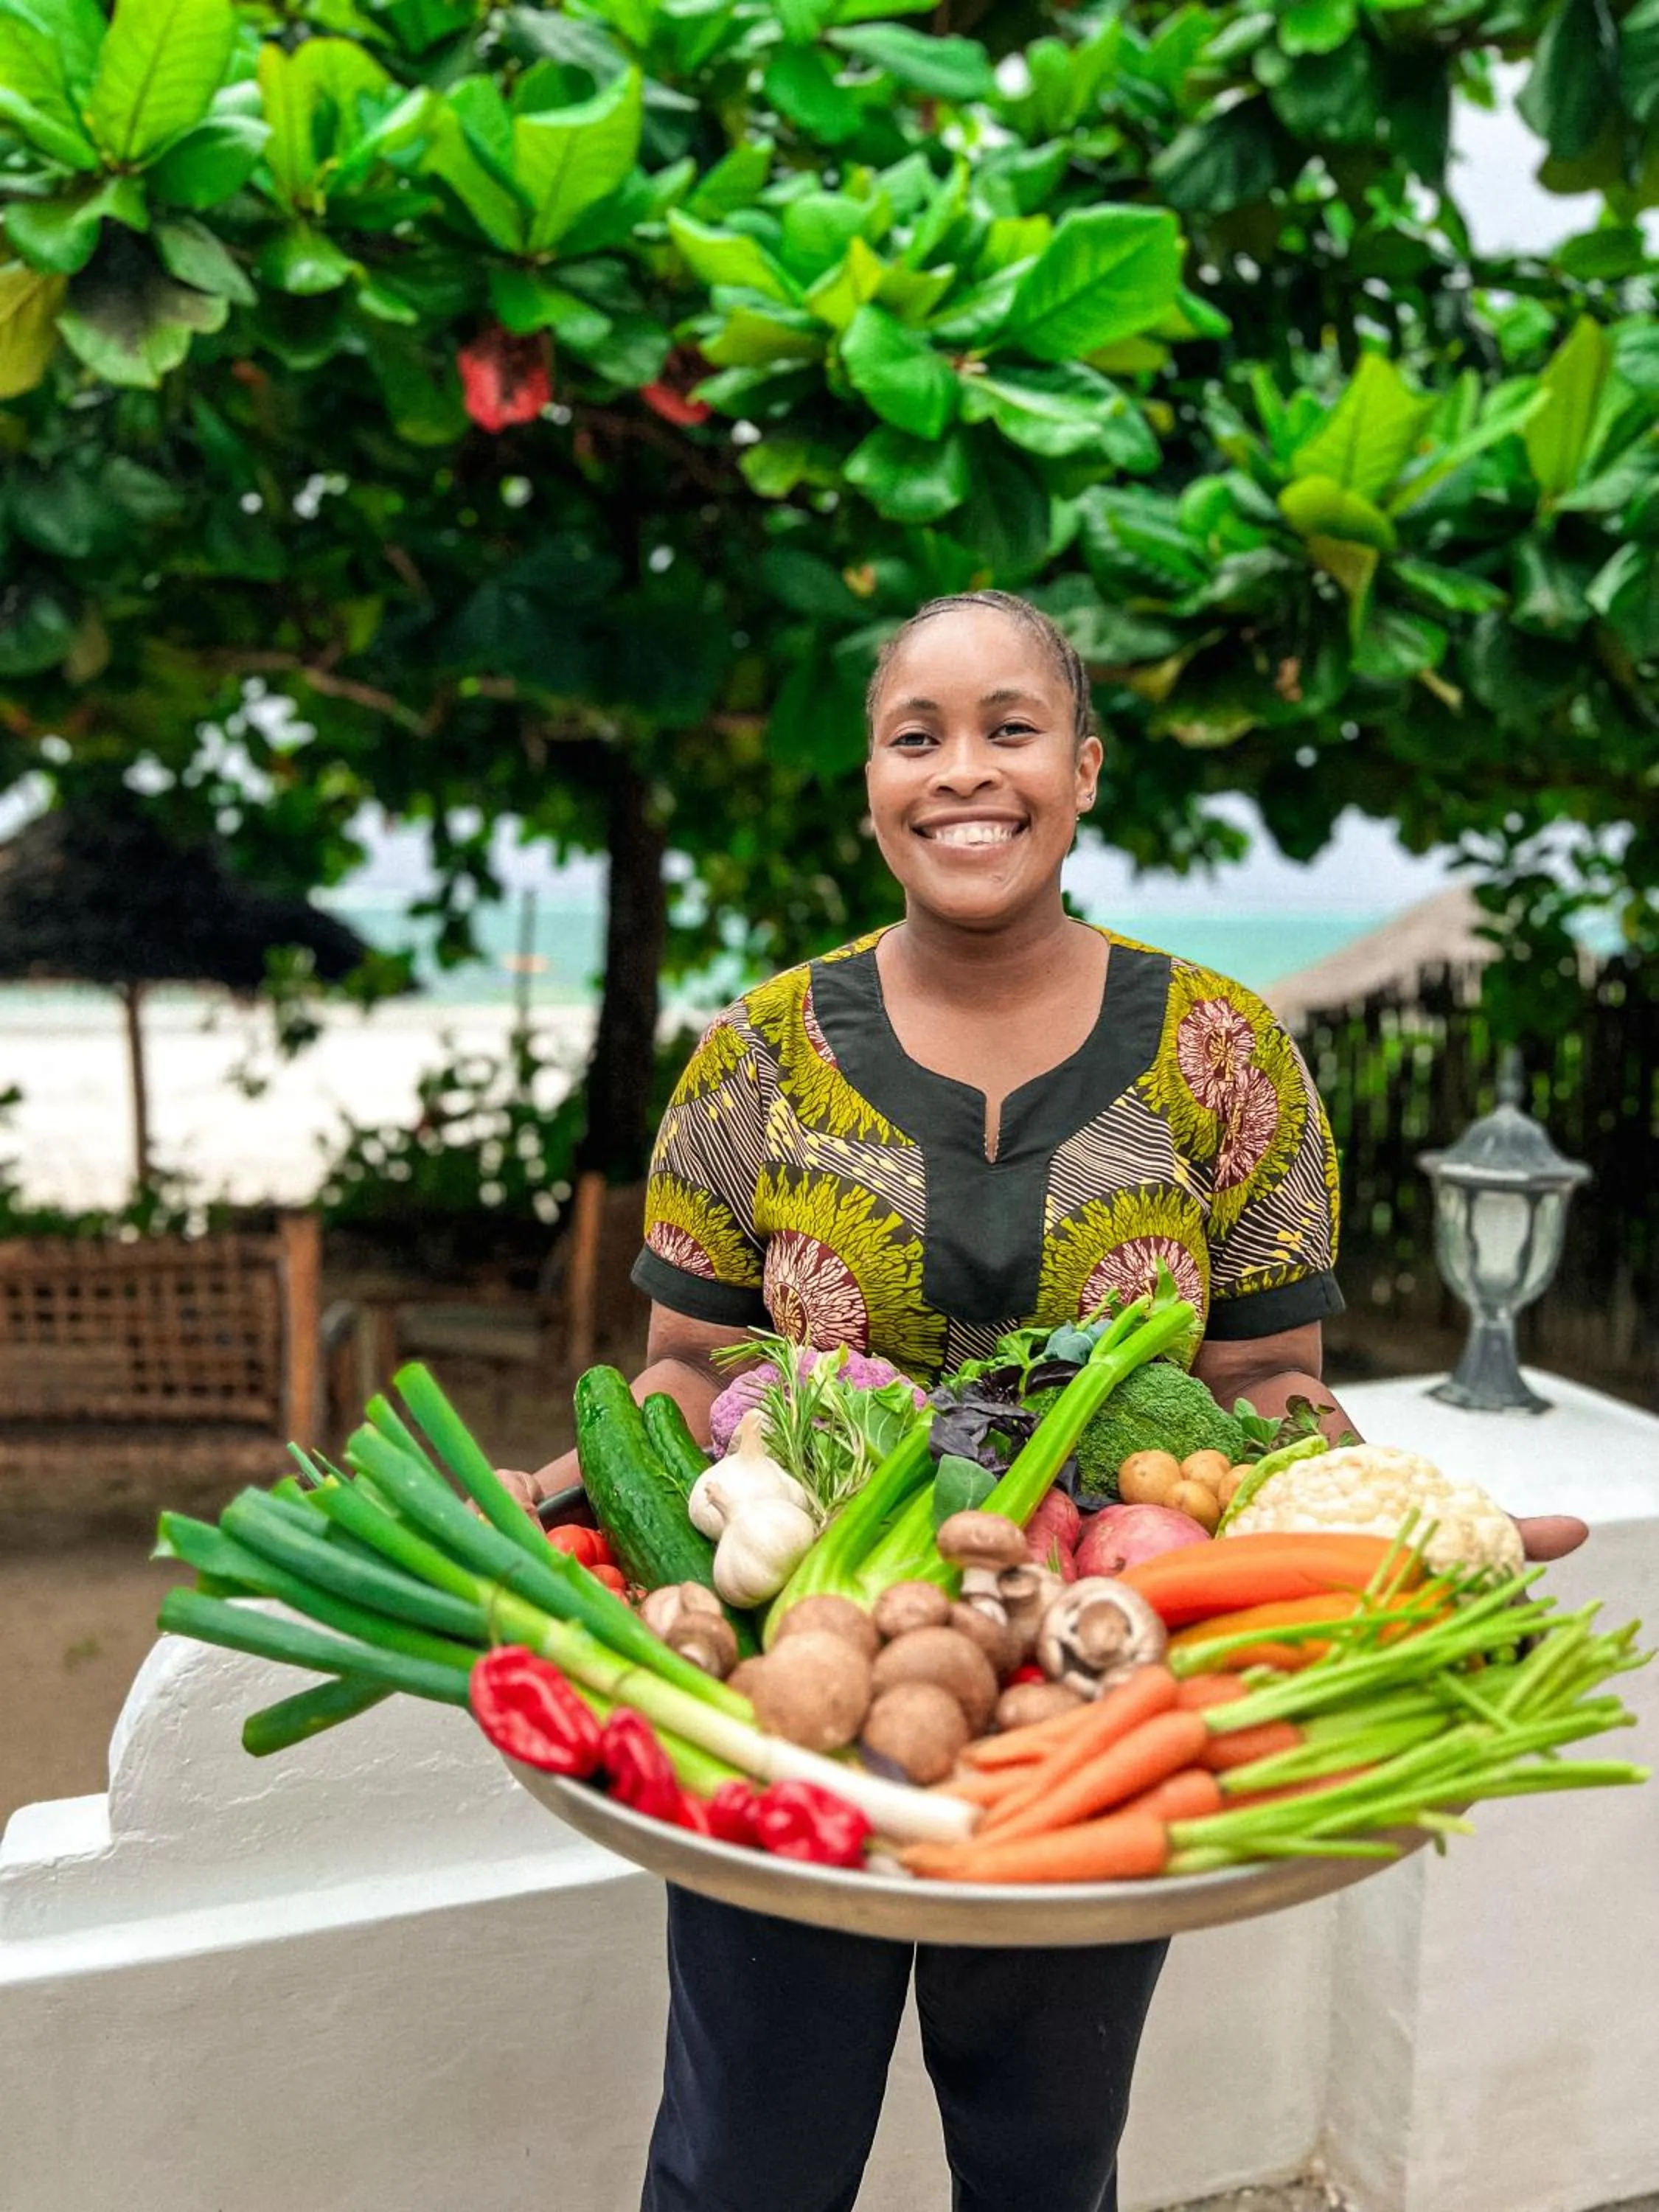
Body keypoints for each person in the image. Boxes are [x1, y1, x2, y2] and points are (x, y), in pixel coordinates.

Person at [504, 589, 1587, 2212]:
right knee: (747, 2156)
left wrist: (1407, 1535)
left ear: (1083, 769)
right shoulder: (757, 1054)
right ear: (869, 781)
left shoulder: (1227, 1056)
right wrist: (599, 1490)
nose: (965, 773)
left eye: (1011, 729)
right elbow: (679, 1363)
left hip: (1088, 1690)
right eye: (915, 736)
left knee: (1047, 2157)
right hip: (794, 1673)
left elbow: (1268, 1389)